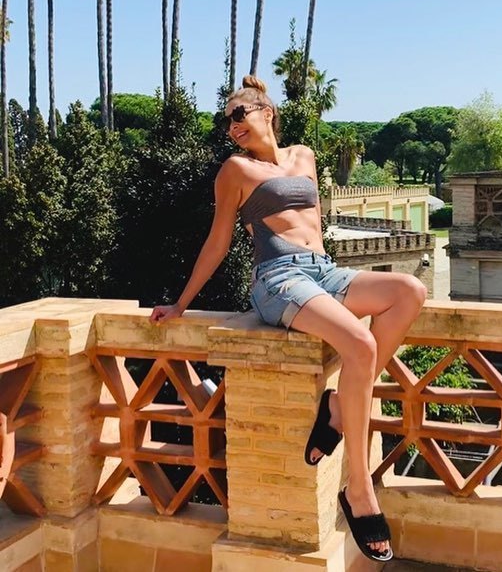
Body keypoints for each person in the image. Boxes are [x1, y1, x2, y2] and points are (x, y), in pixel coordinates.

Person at [150, 76, 427, 562]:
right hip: (278, 279)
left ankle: (337, 407)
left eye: (239, 114)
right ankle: (359, 488)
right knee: (360, 345)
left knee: (409, 291)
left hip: (324, 271)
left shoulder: (305, 156)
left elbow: (313, 227)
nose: (232, 126)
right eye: (226, 121)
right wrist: (181, 303)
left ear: (267, 112)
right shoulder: (235, 170)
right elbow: (218, 241)